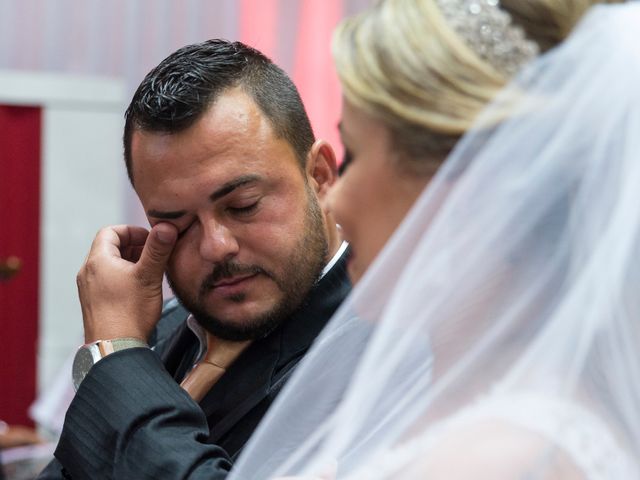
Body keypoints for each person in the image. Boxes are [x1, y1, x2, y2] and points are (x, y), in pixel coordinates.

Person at [224, 0, 640, 478]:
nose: (333, 202)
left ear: (461, 185)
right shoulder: (474, 407)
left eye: (353, 156)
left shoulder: (501, 460)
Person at [38, 40, 350, 479]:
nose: (215, 246)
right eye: (176, 225)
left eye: (243, 205)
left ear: (319, 177)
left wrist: (115, 360)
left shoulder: (380, 345)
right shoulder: (161, 329)